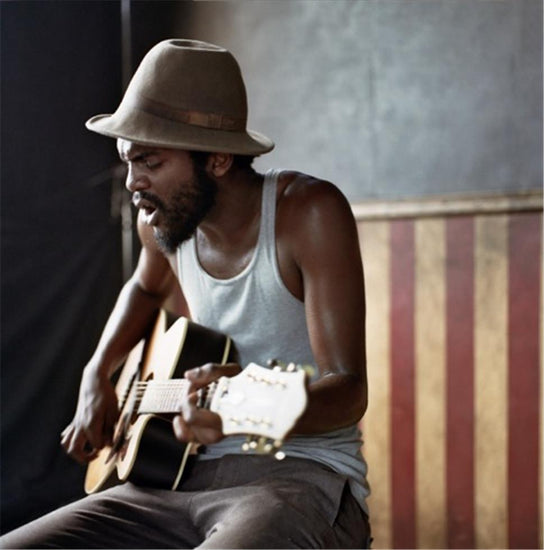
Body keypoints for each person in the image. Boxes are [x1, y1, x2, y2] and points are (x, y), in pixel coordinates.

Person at [1, 39, 371, 549]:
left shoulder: (307, 213)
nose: (134, 183)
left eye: (149, 162)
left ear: (218, 159)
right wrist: (98, 373)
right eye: (128, 161)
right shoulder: (163, 223)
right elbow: (144, 286)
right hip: (172, 483)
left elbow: (348, 391)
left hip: (298, 478)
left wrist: (242, 406)